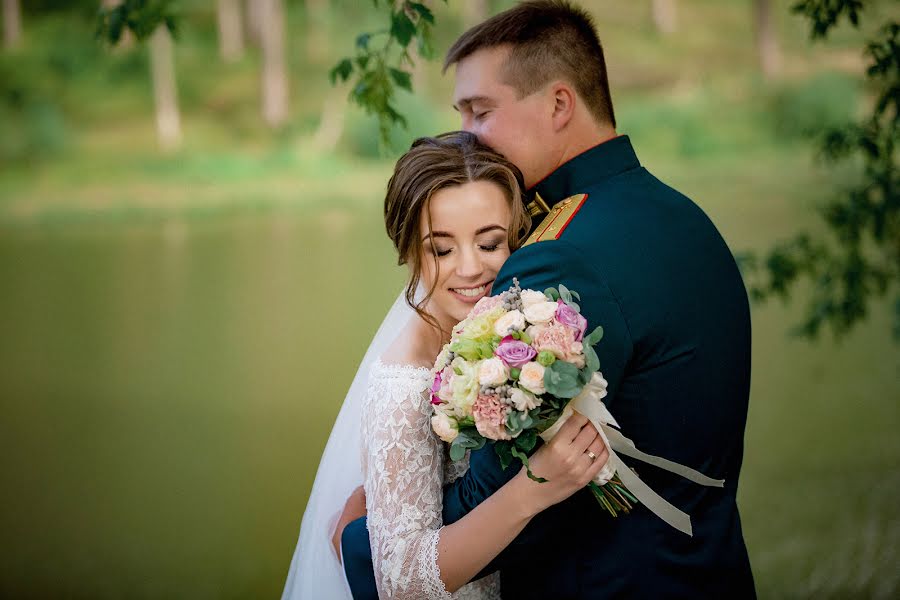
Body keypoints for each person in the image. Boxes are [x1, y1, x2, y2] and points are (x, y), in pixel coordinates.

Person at [340, 1, 757, 598]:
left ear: (559, 104)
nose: (465, 133)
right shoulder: (683, 217)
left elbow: (494, 496)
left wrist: (358, 536)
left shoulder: (560, 255)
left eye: (480, 111)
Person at [281, 131, 613, 600]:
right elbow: (399, 583)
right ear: (411, 252)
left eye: (490, 243)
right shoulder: (403, 384)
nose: (470, 269)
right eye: (442, 249)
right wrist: (535, 487)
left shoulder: (514, 332)